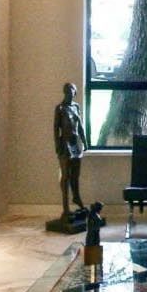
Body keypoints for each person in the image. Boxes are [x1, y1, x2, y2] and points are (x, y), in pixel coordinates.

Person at [53, 82, 87, 216]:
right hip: (65, 143)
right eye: (67, 92)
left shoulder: (76, 107)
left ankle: (76, 197)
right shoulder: (60, 108)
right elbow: (56, 129)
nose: (70, 94)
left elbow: (80, 126)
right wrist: (57, 145)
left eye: (72, 92)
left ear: (75, 93)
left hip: (75, 143)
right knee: (65, 176)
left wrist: (85, 141)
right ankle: (66, 207)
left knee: (75, 175)